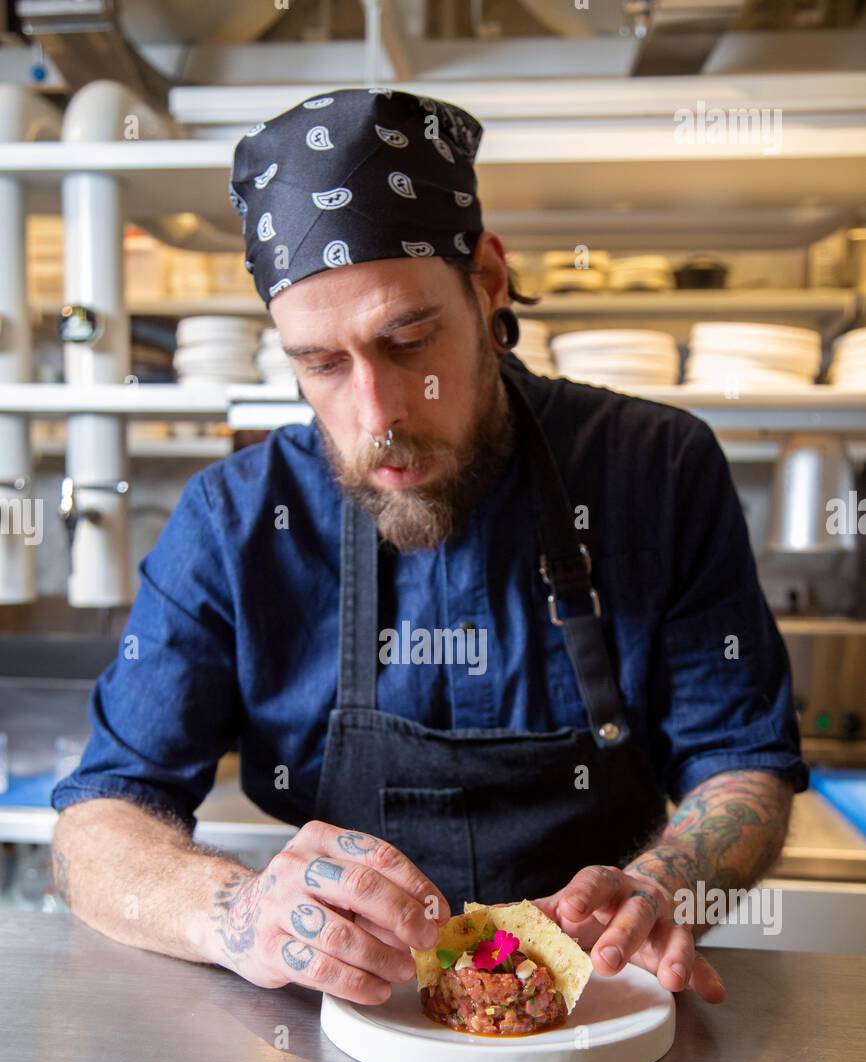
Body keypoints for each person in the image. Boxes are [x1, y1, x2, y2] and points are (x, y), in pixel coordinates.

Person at [51, 87, 809, 1009]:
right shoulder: (235, 519)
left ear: (488, 284)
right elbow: (100, 819)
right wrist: (238, 913)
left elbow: (743, 761)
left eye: (409, 342)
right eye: (322, 366)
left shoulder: (654, 470)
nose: (379, 419)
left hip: (603, 1003)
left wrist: (664, 884)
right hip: (333, 1028)